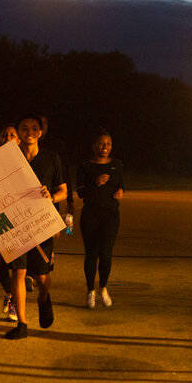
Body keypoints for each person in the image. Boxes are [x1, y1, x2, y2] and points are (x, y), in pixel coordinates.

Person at [4, 113, 67, 340]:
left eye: (33, 128)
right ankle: (22, 324)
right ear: (18, 132)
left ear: (40, 133)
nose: (29, 132)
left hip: (41, 224)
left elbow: (64, 191)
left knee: (41, 278)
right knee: (18, 271)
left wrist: (51, 198)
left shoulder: (52, 158)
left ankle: (43, 297)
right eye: (24, 128)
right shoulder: (8, 160)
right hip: (16, 224)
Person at [76, 129, 124, 308]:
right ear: (94, 145)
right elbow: (80, 191)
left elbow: (121, 185)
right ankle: (90, 291)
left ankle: (103, 288)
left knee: (106, 253)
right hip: (91, 215)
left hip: (111, 215)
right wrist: (95, 183)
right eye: (102, 143)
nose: (105, 147)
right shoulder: (85, 166)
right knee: (91, 254)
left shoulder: (117, 165)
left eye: (108, 144)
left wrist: (121, 192)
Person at [0, 124, 23, 321]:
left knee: (16, 264)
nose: (8, 138)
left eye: (12, 135)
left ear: (18, 140)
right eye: (4, 135)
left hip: (19, 219)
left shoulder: (27, 163)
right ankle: (9, 292)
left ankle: (14, 302)